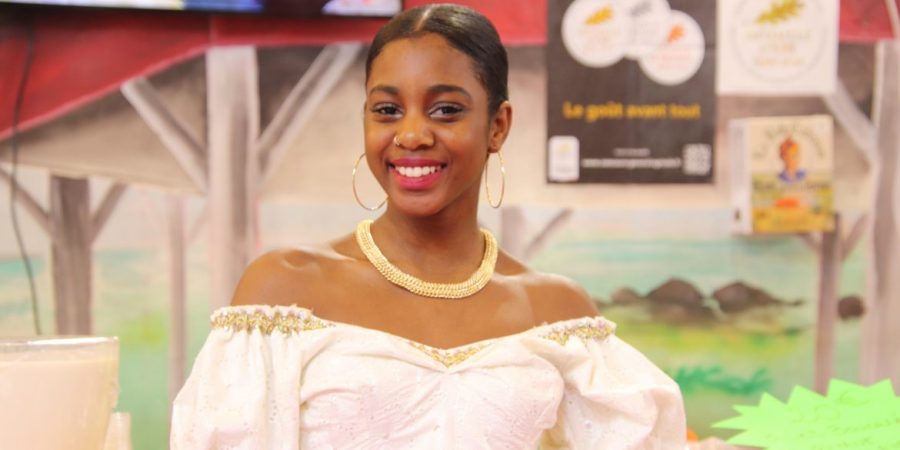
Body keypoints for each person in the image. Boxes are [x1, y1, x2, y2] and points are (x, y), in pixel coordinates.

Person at [171, 4, 686, 449]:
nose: (412, 134)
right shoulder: (284, 291)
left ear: (498, 126)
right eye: (387, 110)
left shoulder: (557, 311)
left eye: (445, 110)